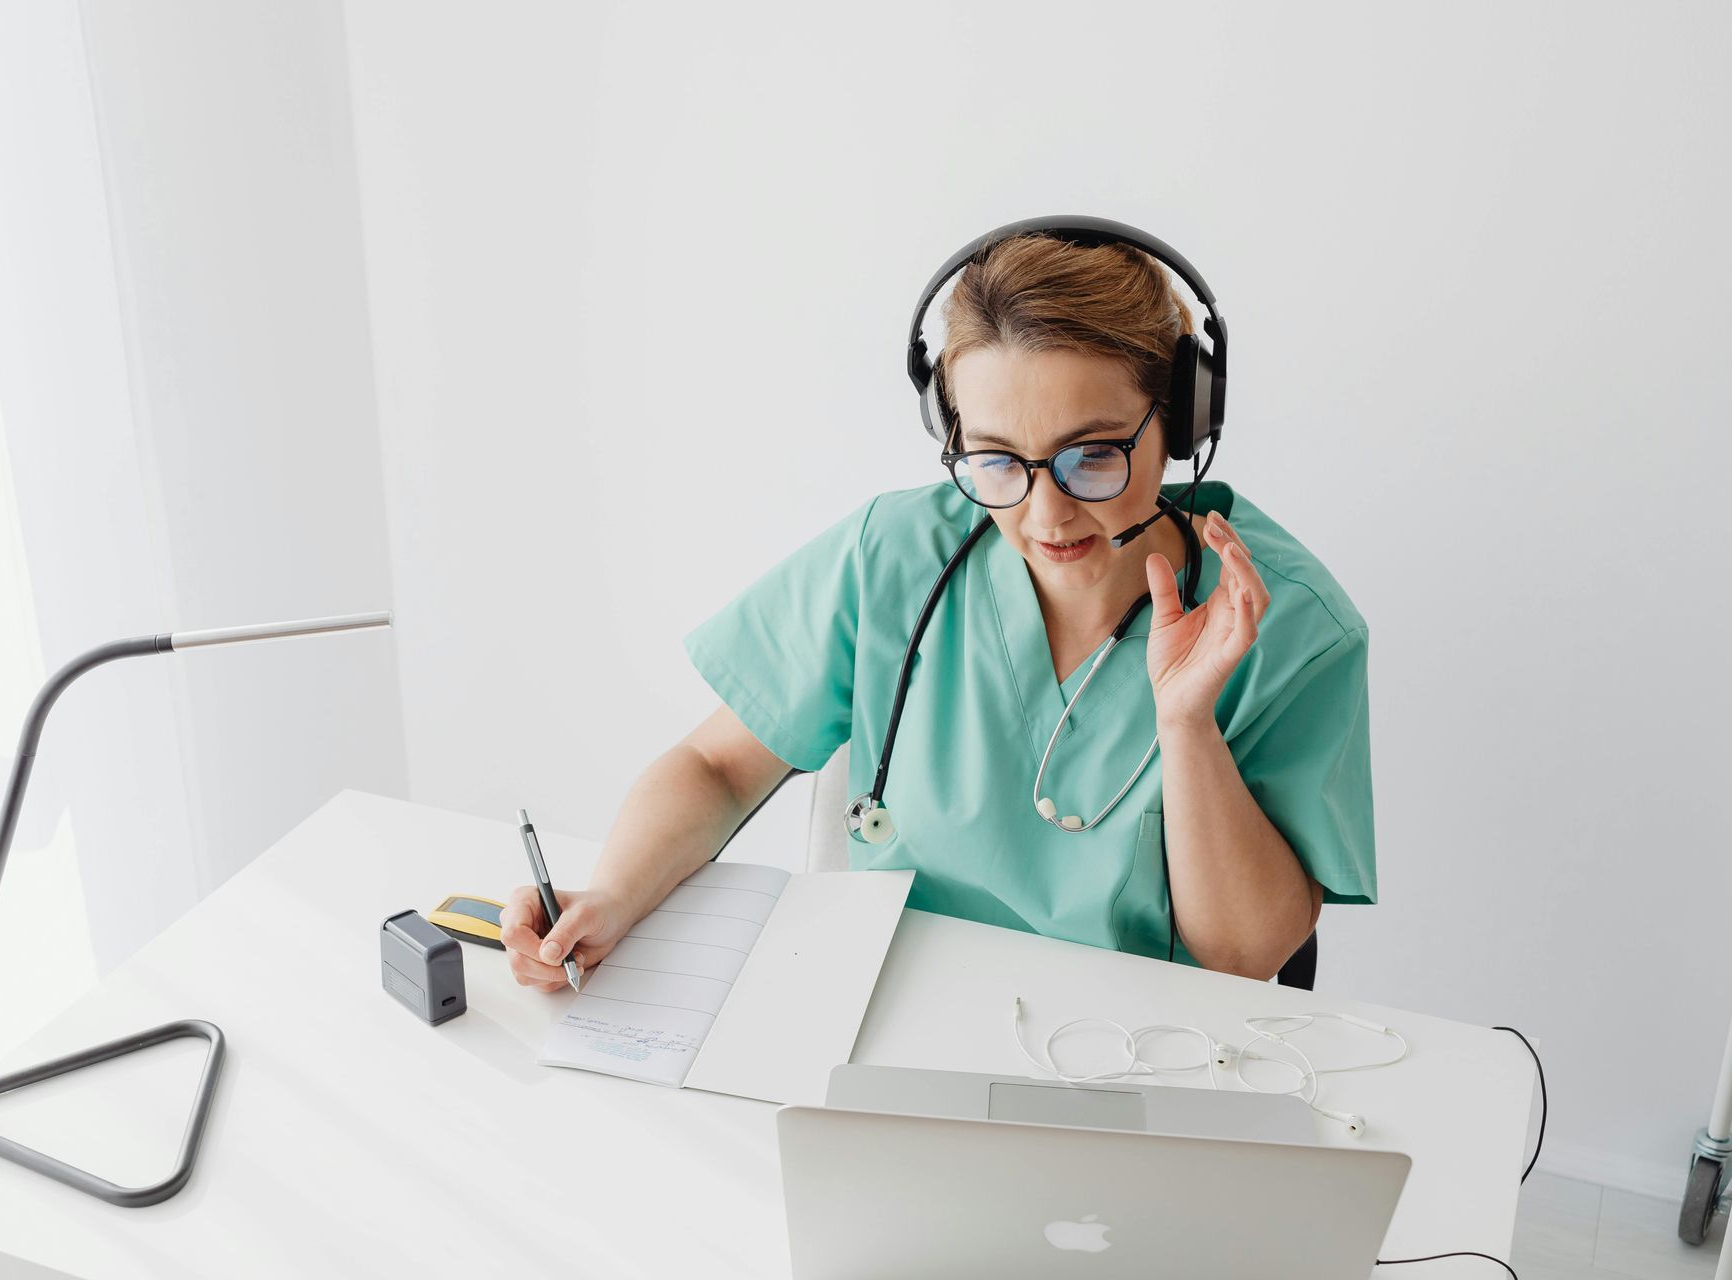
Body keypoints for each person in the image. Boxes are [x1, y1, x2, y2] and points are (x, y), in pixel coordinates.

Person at [502, 224, 1375, 987]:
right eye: (996, 461)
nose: (1045, 514)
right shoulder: (894, 558)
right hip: (895, 1026)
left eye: (1093, 455)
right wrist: (611, 893)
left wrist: (1187, 726)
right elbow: (720, 769)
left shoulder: (1291, 626)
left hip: (1142, 1061)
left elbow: (1243, 960)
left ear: (1180, 417)